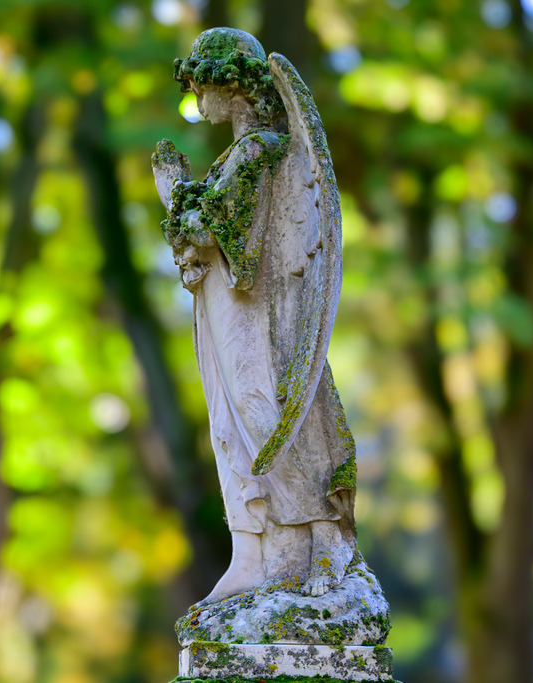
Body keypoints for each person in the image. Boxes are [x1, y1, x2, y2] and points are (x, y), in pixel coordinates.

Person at [153, 28, 356, 605]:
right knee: (226, 425)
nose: (195, 97)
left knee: (258, 413)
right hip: (218, 307)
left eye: (200, 84)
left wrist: (174, 195)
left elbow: (224, 238)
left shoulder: (259, 150)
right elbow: (203, 237)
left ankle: (322, 534)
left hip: (253, 315)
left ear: (229, 84)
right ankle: (252, 550)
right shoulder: (232, 157)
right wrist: (185, 204)